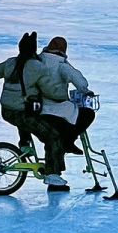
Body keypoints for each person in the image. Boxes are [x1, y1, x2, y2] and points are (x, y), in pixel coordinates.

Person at [23, 36, 92, 193]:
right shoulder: (61, 64)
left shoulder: (38, 59)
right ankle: (67, 145)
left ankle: (63, 151)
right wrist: (85, 90)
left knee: (55, 135)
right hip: (56, 109)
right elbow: (78, 79)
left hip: (37, 108)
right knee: (86, 115)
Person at [0, 31, 39, 147]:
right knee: (44, 126)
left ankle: (25, 145)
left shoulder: (10, 63)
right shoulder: (35, 66)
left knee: (22, 117)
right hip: (22, 110)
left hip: (7, 110)